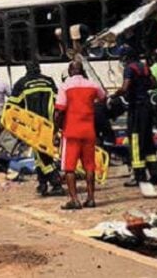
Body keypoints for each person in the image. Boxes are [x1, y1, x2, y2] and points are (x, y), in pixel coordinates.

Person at [54, 61, 106, 210]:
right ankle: (91, 198)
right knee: (89, 166)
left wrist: (55, 130)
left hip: (71, 131)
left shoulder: (65, 86)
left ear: (70, 71)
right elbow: (103, 97)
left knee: (69, 167)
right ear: (82, 71)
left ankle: (74, 200)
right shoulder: (92, 85)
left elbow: (59, 110)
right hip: (89, 131)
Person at [10, 61, 64, 197]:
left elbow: (13, 105)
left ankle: (56, 181)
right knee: (41, 154)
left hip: (33, 124)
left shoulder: (22, 83)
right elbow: (57, 101)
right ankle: (42, 183)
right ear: (39, 68)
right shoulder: (49, 81)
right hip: (49, 123)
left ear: (26, 69)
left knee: (41, 155)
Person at [112, 46, 157, 188]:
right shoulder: (144, 67)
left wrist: (115, 95)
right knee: (148, 141)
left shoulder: (130, 68)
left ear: (126, 57)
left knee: (135, 141)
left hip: (137, 108)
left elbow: (125, 87)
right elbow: (154, 83)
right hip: (147, 107)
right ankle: (155, 174)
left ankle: (139, 175)